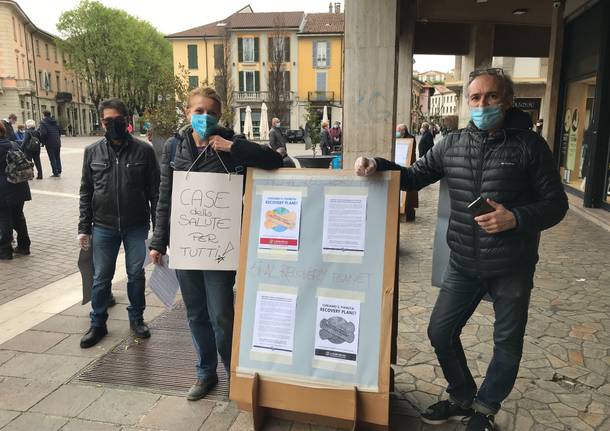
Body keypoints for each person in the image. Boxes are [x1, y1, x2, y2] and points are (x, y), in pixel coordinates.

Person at [355, 68, 568, 431]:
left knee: (507, 342)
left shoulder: (531, 147)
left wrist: (514, 218)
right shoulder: (452, 143)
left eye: (491, 96)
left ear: (507, 100)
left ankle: (484, 409)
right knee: (440, 331)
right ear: (467, 102)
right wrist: (378, 165)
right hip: (464, 262)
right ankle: (461, 395)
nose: (482, 104)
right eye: (475, 97)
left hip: (511, 265)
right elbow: (414, 176)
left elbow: (557, 204)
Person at [149, 87, 282, 401]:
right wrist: (158, 242)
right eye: (198, 111)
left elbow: (274, 160)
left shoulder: (233, 143)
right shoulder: (173, 147)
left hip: (221, 250)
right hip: (186, 246)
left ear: (219, 116)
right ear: (187, 112)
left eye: (210, 112)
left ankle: (233, 371)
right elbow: (165, 196)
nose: (204, 117)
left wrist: (233, 148)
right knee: (195, 314)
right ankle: (204, 372)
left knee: (222, 315)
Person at [78, 98, 160, 348]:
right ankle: (98, 323)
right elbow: (86, 191)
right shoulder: (92, 151)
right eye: (107, 120)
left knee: (136, 274)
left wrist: (159, 233)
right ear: (101, 122)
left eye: (117, 119)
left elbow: (155, 192)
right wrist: (83, 227)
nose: (112, 124)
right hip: (103, 225)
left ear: (127, 120)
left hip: (136, 225)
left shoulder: (144, 151)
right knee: (101, 277)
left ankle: (137, 319)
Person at [0, 121, 31, 260]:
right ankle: (24, 246)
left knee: (4, 218)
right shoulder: (13, 144)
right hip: (19, 186)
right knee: (18, 216)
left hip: (4, 188)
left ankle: (5, 250)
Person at [39, 111, 62, 177]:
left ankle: (55, 172)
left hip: (49, 142)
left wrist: (42, 141)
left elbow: (43, 133)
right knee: (57, 157)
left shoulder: (43, 122)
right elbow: (59, 131)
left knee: (52, 158)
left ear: (44, 115)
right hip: (57, 142)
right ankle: (59, 170)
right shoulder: (55, 122)